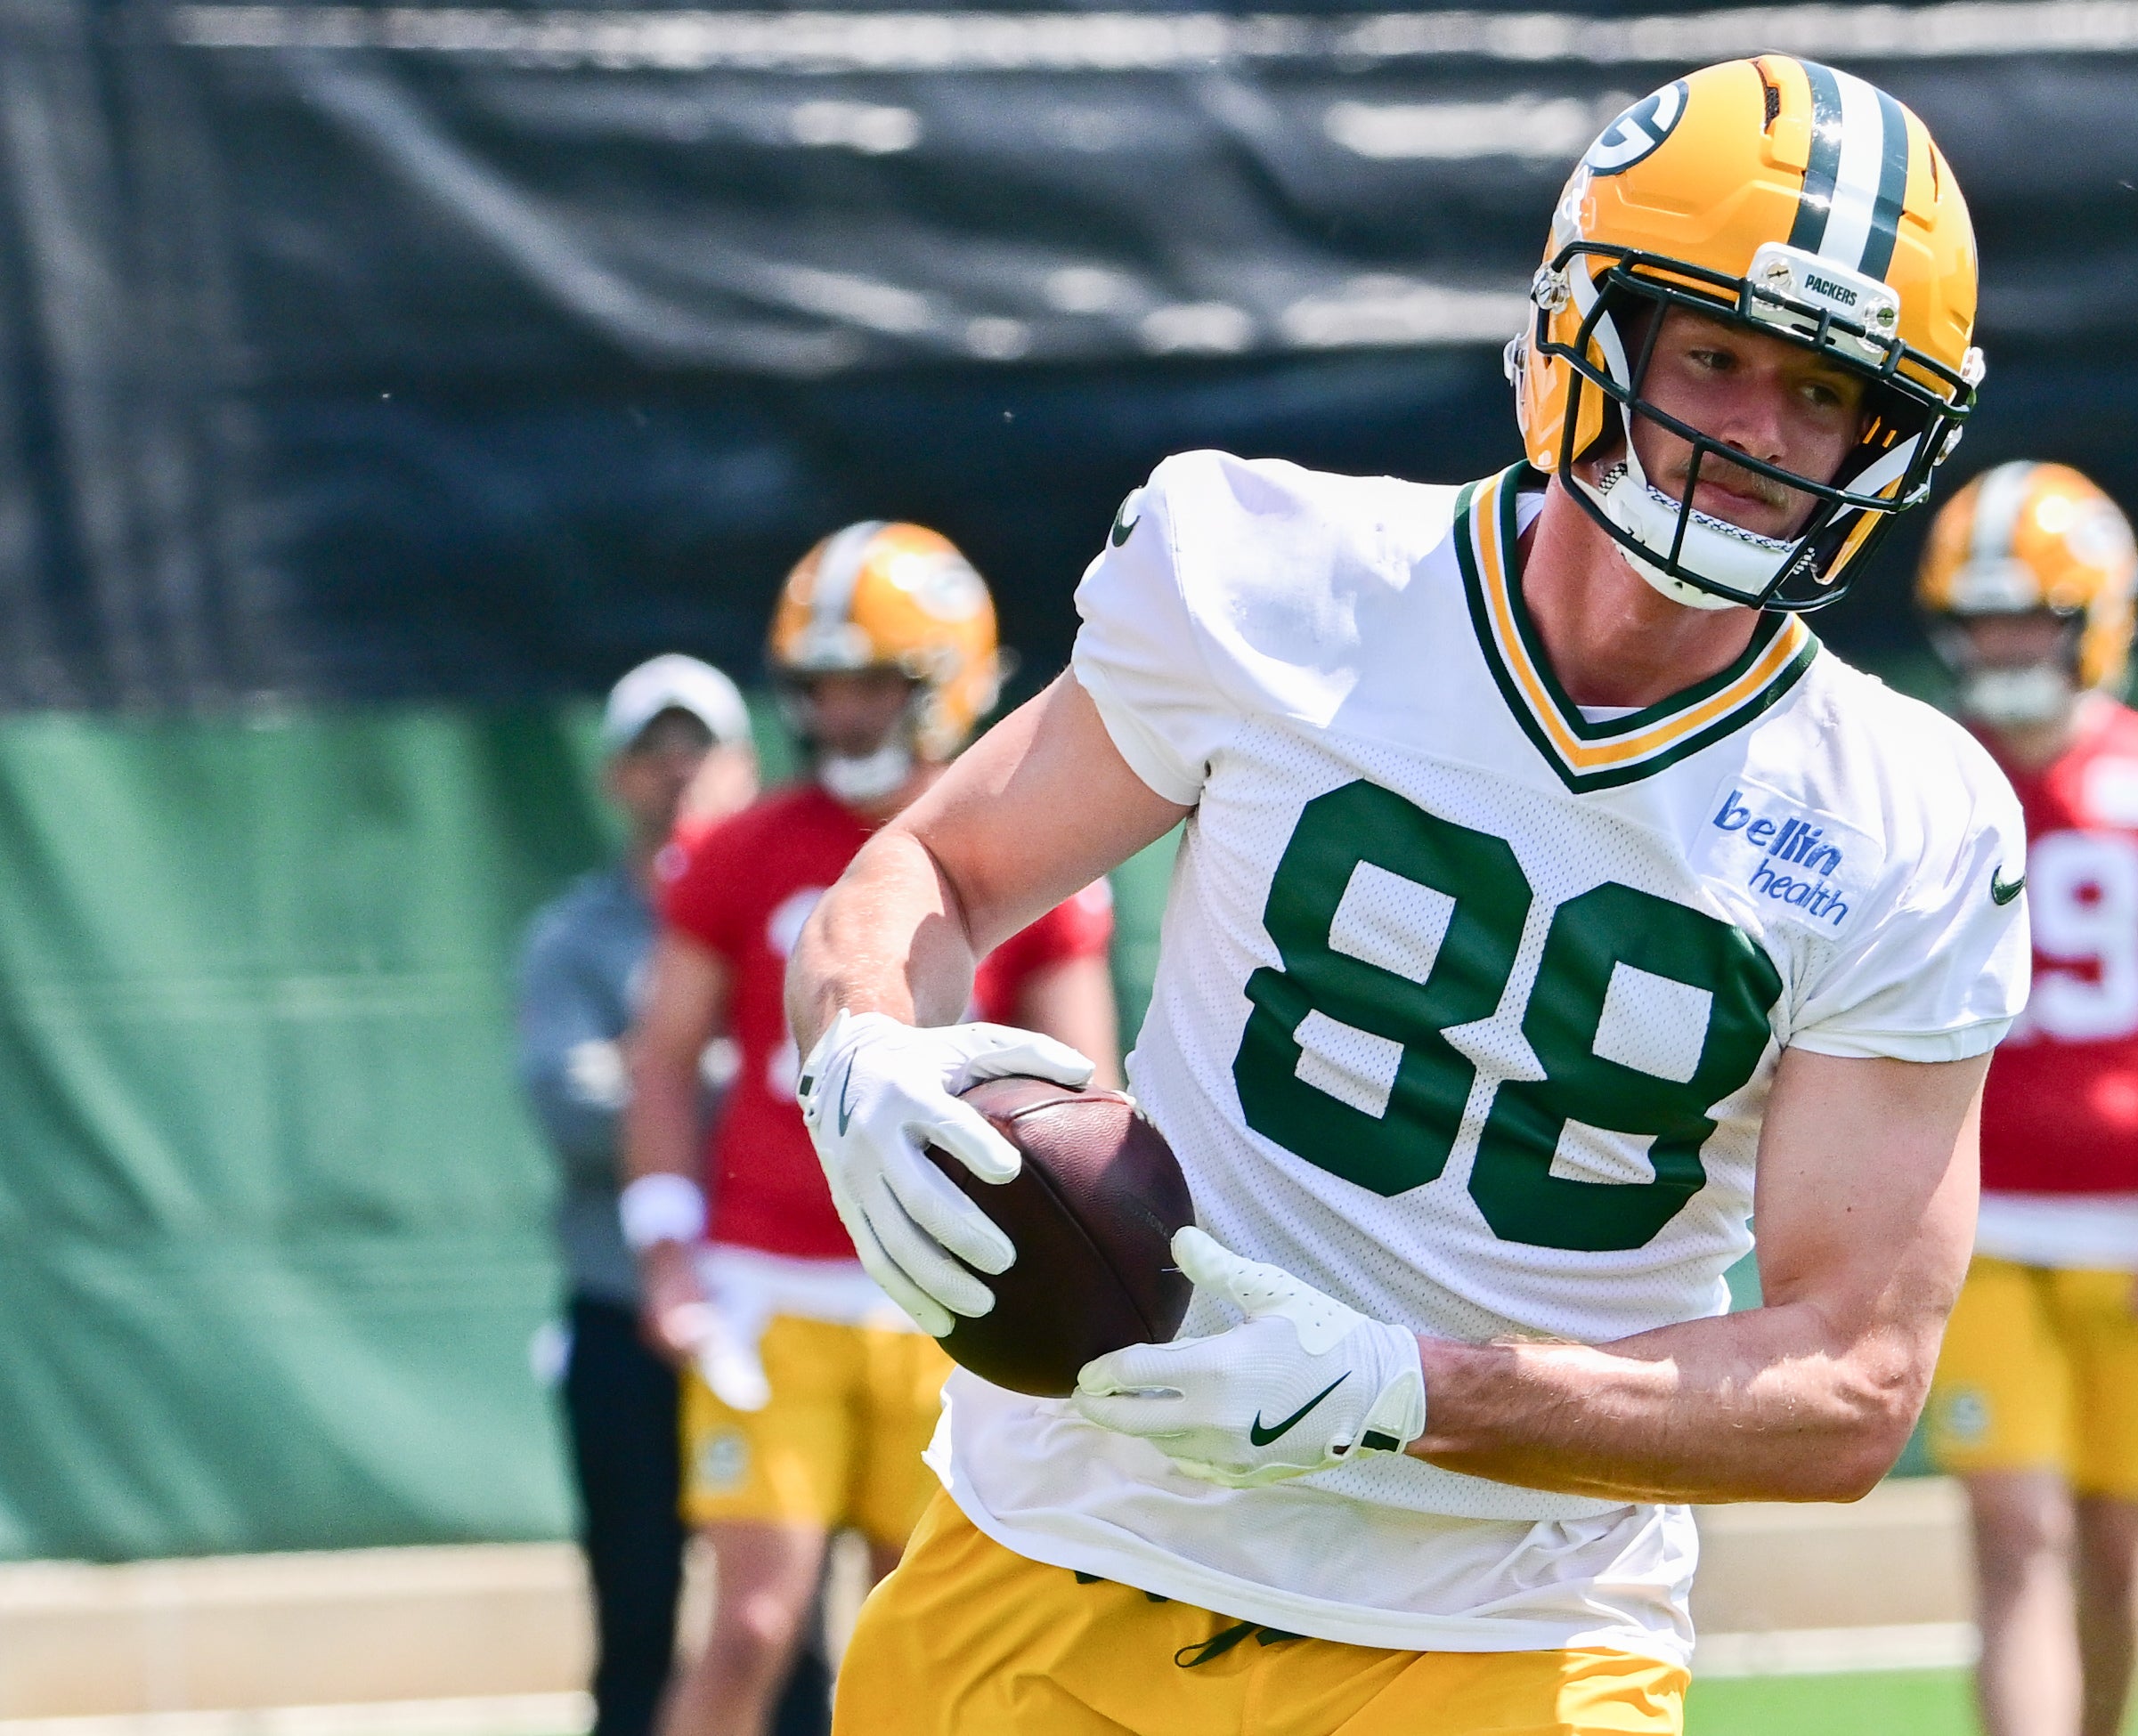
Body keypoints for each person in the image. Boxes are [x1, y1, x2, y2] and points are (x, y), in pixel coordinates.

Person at [786, 57, 2028, 1736]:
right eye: (1719, 358)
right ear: (1589, 329)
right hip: (1066, 1532)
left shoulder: (1904, 819)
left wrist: (1407, 1392)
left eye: (1821, 397)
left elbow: (1847, 1388)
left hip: (1507, 1624)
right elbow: (937, 866)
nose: (1757, 436)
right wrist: (862, 1046)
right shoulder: (1279, 578)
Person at [620, 524, 1119, 1736]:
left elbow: (1080, 1092)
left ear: (942, 679)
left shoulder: (1029, 853)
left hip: (937, 1289)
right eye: (822, 687)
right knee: (749, 1626)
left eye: (869, 685)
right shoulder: (743, 851)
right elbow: (662, 1054)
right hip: (766, 1282)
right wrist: (666, 1242)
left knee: (913, 1640)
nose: (840, 715)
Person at [1906, 461, 2138, 1736]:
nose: (2003, 647)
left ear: (2095, 617)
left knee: (2114, 1546)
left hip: (2134, 1228)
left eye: (2028, 619)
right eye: (1982, 619)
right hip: (1979, 1220)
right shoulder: (1922, 776)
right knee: (2016, 1537)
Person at [516, 654, 760, 1736]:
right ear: (615, 777)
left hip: (771, 1316)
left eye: (697, 752)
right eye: (653, 755)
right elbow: (571, 1113)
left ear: (744, 768)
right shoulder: (570, 940)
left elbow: (804, 1098)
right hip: (622, 1320)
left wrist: (655, 1066)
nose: (678, 776)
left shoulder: (797, 919)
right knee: (637, 1607)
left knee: (772, 1626)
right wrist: (708, 1070)